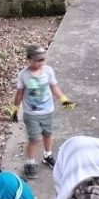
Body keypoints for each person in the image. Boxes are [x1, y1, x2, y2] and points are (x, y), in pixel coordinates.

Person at [10, 45, 75, 178]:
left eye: (42, 60)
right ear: (28, 59)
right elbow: (19, 94)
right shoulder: (23, 75)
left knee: (48, 134)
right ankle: (30, 162)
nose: (40, 63)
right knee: (33, 139)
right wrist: (15, 109)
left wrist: (63, 99)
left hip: (47, 111)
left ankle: (47, 155)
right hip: (31, 114)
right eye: (37, 60)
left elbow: (54, 87)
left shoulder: (48, 71)